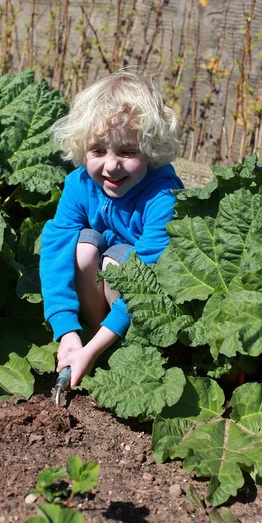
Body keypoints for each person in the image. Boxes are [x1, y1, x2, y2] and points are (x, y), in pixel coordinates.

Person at [40, 68, 183, 388]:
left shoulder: (163, 197)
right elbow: (55, 250)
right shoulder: (79, 185)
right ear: (82, 148)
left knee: (115, 264)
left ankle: (121, 349)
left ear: (150, 149)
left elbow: (148, 277)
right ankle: (92, 334)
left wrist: (91, 351)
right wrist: (66, 331)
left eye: (128, 152)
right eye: (98, 151)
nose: (111, 165)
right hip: (102, 290)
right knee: (81, 248)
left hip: (149, 297)